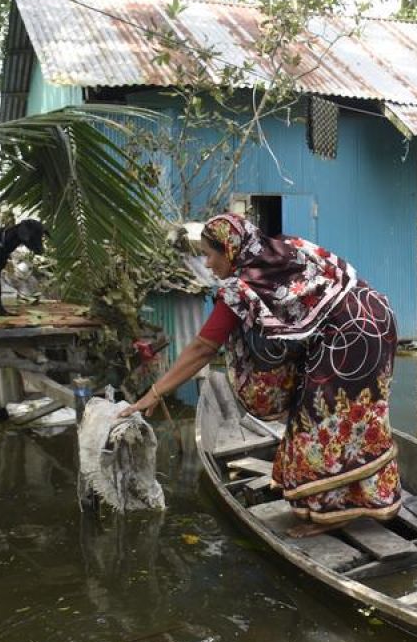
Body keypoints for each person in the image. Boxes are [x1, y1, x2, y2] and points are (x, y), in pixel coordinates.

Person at [119, 212, 401, 537]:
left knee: (317, 424)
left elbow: (202, 349)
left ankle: (332, 512)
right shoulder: (283, 250)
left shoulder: (240, 289)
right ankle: (365, 497)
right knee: (361, 417)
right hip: (377, 315)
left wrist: (154, 393)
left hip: (348, 335)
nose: (208, 265)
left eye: (210, 255)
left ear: (230, 250)